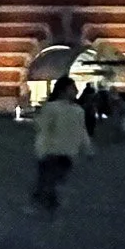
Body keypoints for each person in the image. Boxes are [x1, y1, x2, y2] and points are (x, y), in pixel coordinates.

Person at [31, 76, 90, 211]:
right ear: (62, 90)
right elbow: (43, 129)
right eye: (72, 88)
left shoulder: (78, 110)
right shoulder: (52, 108)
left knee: (53, 181)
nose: (75, 91)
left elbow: (82, 130)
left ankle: (44, 203)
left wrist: (87, 147)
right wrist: (41, 149)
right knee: (50, 181)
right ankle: (46, 205)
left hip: (68, 152)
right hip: (51, 151)